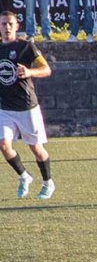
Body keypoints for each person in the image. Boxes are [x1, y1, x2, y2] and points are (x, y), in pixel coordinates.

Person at [0, 12, 54, 199]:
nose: (7, 27)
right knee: (4, 145)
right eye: (3, 24)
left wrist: (30, 72)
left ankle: (48, 182)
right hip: (5, 108)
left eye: (10, 24)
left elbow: (46, 69)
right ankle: (24, 176)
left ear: (17, 26)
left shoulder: (26, 46)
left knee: (36, 149)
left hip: (27, 106)